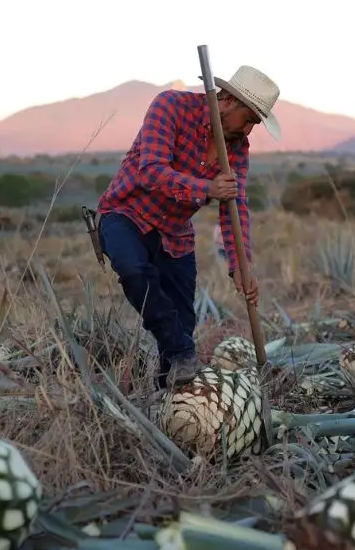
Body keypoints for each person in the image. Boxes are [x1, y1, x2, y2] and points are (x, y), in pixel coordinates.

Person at [95, 65, 281, 389]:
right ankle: (181, 351)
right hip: (126, 214)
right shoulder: (171, 107)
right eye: (249, 119)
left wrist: (240, 266)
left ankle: (171, 399)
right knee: (134, 270)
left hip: (174, 234)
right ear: (225, 99)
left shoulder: (237, 147)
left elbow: (234, 205)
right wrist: (206, 188)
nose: (250, 130)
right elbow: (151, 172)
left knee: (184, 321)